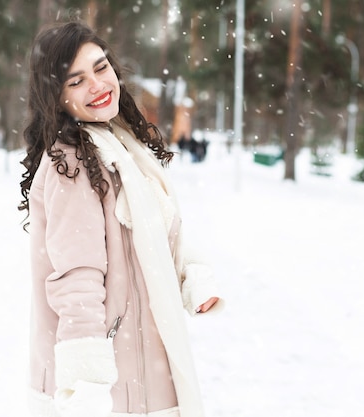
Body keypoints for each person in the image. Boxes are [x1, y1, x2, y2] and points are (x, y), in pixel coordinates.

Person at [18, 21, 222, 417]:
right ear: (55, 97)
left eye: (100, 67)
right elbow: (77, 281)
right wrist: (86, 388)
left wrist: (193, 277)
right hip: (113, 386)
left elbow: (161, 230)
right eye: (75, 81)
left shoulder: (121, 144)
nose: (97, 85)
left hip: (144, 369)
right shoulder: (72, 162)